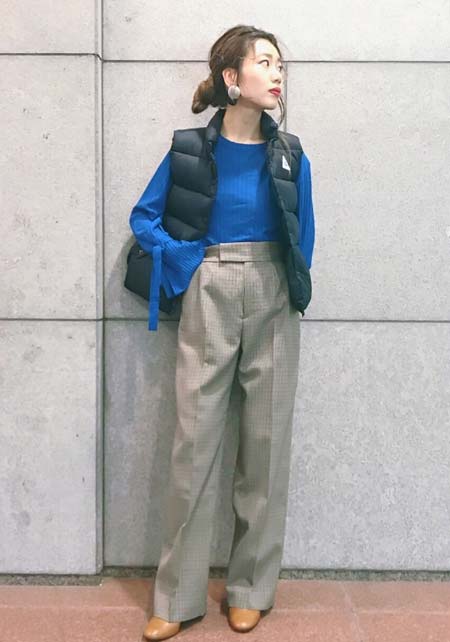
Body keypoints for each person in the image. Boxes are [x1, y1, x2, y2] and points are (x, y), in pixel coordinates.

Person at [129, 24, 315, 641]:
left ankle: (251, 589)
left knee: (266, 447)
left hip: (273, 292)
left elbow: (305, 233)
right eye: (266, 62)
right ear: (232, 78)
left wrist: (292, 285)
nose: (278, 73)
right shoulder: (190, 150)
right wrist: (186, 260)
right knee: (194, 445)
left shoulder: (290, 153)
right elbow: (145, 217)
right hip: (209, 288)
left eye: (281, 64)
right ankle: (175, 597)